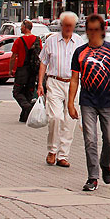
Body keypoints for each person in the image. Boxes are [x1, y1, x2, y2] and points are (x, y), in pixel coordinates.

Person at [67, 14, 110, 191]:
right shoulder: (80, 52)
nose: (93, 33)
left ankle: (105, 163)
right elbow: (74, 79)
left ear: (102, 31)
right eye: (90, 30)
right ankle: (92, 177)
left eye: (96, 30)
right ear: (86, 31)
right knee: (90, 140)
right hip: (88, 102)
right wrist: (71, 103)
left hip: (108, 101)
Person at [38, 11, 85, 168]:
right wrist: (40, 83)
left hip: (73, 83)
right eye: (66, 26)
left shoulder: (79, 42)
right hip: (54, 82)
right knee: (55, 117)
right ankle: (52, 150)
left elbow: (83, 65)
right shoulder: (51, 40)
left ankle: (63, 155)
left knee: (70, 120)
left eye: (71, 26)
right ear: (61, 25)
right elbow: (43, 62)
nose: (68, 28)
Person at [11, 20, 41, 122]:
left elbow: (13, 56)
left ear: (25, 27)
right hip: (33, 70)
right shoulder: (37, 39)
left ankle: (28, 107)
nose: (20, 28)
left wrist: (11, 69)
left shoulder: (19, 40)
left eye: (21, 26)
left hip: (22, 69)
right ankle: (24, 117)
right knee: (29, 92)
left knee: (17, 92)